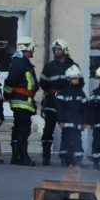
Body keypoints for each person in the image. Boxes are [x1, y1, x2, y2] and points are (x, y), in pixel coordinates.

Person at [39, 38, 78, 166]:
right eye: (55, 49)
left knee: (68, 130)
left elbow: (79, 83)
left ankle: (66, 157)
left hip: (67, 103)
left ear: (65, 51)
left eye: (59, 49)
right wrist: (52, 91)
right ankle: (46, 156)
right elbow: (43, 83)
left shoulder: (73, 66)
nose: (56, 52)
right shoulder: (49, 66)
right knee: (48, 129)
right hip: (52, 101)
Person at [3, 36, 39, 166]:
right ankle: (21, 157)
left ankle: (17, 157)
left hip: (25, 101)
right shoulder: (20, 62)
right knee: (22, 130)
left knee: (21, 129)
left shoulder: (23, 62)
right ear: (26, 47)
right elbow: (10, 81)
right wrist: (6, 94)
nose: (33, 51)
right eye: (32, 48)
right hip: (21, 101)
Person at [55, 65, 88, 167]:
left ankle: (77, 161)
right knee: (66, 141)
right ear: (69, 79)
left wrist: (85, 121)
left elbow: (85, 108)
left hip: (77, 123)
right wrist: (60, 120)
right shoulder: (62, 93)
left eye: (78, 78)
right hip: (66, 123)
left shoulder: (81, 93)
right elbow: (59, 108)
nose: (77, 80)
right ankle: (65, 160)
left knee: (77, 141)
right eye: (75, 78)